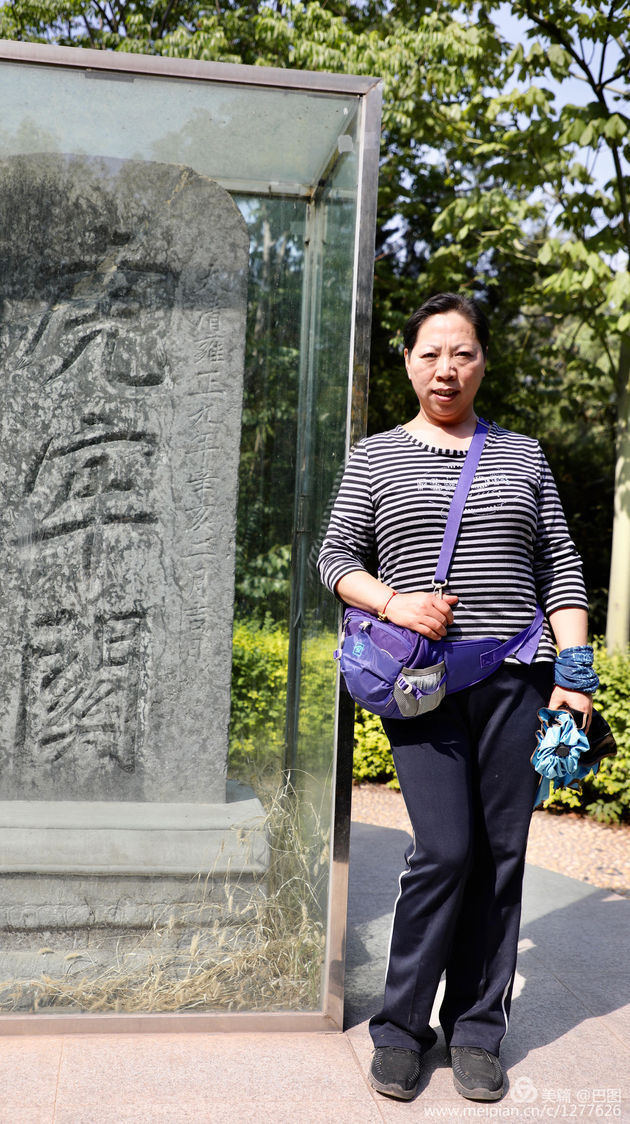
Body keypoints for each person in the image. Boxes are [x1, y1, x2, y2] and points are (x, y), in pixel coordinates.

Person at [318, 292, 596, 1103]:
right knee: (443, 850)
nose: (447, 368)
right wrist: (394, 603)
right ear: (408, 361)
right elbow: (335, 557)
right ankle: (401, 1029)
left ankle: (477, 1029)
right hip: (424, 687)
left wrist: (575, 676)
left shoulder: (522, 455)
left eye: (463, 352)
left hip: (519, 679)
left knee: (502, 856)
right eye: (431, 353)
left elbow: (561, 565)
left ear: (483, 362)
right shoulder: (375, 456)